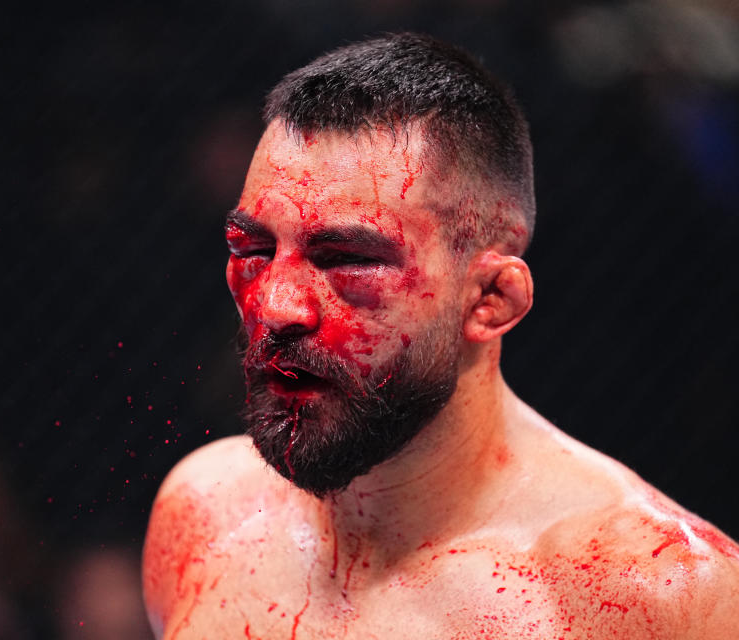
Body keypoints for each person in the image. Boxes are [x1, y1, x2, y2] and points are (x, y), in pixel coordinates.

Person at [142, 33, 739, 639]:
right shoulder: (205, 516)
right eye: (255, 249)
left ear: (491, 299)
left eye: (347, 258)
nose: (276, 305)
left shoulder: (660, 596)